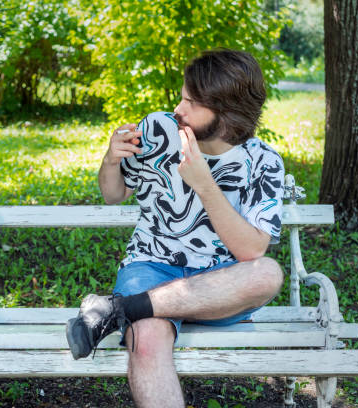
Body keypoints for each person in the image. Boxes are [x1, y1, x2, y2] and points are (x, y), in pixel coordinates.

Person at [66, 49, 285, 407]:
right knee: (147, 338)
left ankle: (120, 309)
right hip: (151, 267)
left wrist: (204, 184)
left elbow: (250, 252)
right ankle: (135, 309)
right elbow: (113, 194)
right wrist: (110, 158)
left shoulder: (264, 162)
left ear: (226, 113)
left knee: (268, 274)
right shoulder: (157, 131)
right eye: (182, 96)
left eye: (191, 102)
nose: (178, 109)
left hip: (220, 285)